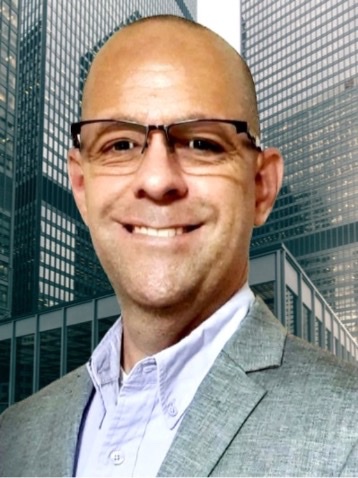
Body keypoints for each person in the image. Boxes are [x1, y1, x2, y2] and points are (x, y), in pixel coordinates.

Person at [1, 14, 358, 477]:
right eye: (120, 144)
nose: (156, 179)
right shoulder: (13, 435)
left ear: (261, 187)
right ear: (81, 186)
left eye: (203, 143)